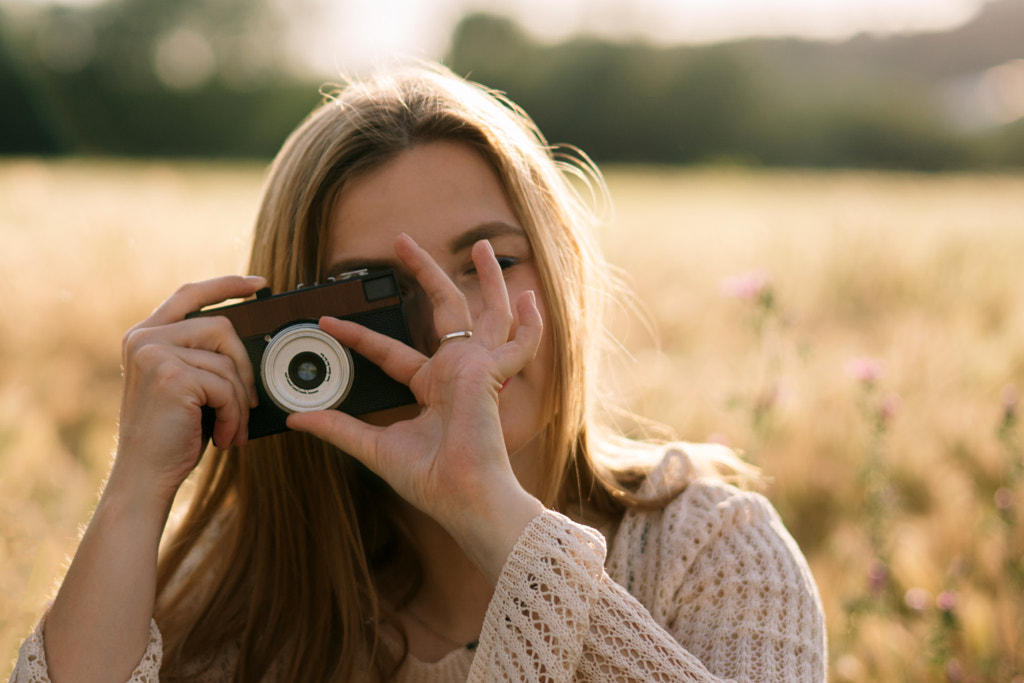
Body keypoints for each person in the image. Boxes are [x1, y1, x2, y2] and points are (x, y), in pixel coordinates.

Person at [11, 61, 826, 683]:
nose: (453, 327)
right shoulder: (246, 597)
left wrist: (495, 516)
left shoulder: (709, 550)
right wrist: (133, 492)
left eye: (493, 260)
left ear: (564, 269)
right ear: (299, 342)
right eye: (383, 294)